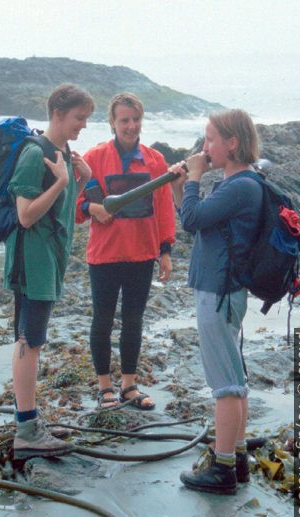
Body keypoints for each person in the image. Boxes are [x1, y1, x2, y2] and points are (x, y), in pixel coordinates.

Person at [170, 109, 263, 495]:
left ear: (232, 143)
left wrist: (193, 177)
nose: (205, 147)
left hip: (219, 291)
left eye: (210, 139)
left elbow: (192, 221)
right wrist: (181, 187)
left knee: (225, 383)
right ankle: (236, 455)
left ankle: (222, 467)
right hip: (224, 288)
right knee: (234, 378)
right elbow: (196, 219)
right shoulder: (236, 183)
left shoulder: (241, 186)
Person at [4, 84, 94, 459]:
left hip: (49, 262)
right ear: (58, 114)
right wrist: (60, 181)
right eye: (79, 118)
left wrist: (80, 180)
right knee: (30, 341)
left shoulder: (63, 153)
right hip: (32, 264)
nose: (83, 126)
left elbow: (62, 213)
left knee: (32, 340)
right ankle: (26, 429)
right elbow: (25, 215)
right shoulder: (33, 153)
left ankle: (30, 420)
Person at [76, 92, 175, 410]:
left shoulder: (154, 160)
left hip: (142, 255)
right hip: (104, 255)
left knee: (134, 320)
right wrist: (93, 207)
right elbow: (75, 208)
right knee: (102, 320)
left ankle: (129, 385)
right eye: (124, 120)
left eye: (136, 120)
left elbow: (163, 207)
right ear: (113, 123)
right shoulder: (93, 158)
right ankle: (105, 387)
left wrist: (165, 250)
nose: (131, 126)